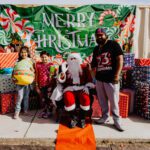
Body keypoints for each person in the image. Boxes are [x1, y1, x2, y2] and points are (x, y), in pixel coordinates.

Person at [90, 28, 124, 131]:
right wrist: (94, 79)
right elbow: (93, 65)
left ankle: (117, 121)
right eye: (97, 35)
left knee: (114, 101)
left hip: (111, 78)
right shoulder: (96, 49)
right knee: (102, 101)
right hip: (100, 79)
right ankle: (104, 117)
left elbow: (120, 59)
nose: (99, 37)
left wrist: (117, 75)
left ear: (106, 35)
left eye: (101, 35)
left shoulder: (113, 44)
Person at [58, 53, 95, 128]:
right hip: (70, 88)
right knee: (68, 98)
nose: (73, 60)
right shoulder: (65, 68)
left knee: (85, 98)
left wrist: (87, 87)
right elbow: (61, 81)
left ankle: (82, 118)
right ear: (68, 60)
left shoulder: (84, 68)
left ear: (79, 59)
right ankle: (73, 117)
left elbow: (89, 79)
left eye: (75, 58)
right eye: (71, 59)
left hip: (82, 87)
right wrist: (63, 73)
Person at [12, 46, 34, 119]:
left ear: (27, 53)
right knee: (20, 97)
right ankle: (17, 112)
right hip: (19, 82)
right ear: (20, 53)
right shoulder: (17, 61)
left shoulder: (30, 61)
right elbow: (13, 71)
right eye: (22, 52)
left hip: (27, 82)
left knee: (26, 97)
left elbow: (33, 70)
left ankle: (25, 111)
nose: (23, 54)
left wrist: (32, 70)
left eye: (25, 52)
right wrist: (13, 78)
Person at [35, 51, 56, 118]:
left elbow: (52, 76)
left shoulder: (51, 65)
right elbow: (36, 75)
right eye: (42, 57)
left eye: (45, 57)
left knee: (49, 99)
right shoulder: (38, 65)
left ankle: (49, 112)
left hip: (49, 85)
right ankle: (45, 111)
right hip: (41, 85)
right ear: (40, 57)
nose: (44, 59)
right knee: (43, 99)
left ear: (48, 57)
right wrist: (37, 86)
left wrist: (52, 84)